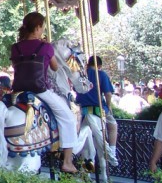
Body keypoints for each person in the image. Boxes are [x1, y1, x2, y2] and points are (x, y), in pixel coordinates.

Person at [9, 12, 79, 174]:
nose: (42, 30)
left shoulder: (15, 47)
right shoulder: (46, 47)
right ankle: (67, 161)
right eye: (42, 27)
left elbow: (16, 66)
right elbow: (54, 67)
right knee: (68, 117)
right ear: (38, 27)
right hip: (39, 89)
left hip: (18, 90)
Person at [75, 55, 119, 167]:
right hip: (97, 108)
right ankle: (112, 150)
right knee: (113, 125)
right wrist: (109, 107)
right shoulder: (101, 74)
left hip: (82, 109)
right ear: (99, 66)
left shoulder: (80, 75)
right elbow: (108, 93)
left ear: (88, 64)